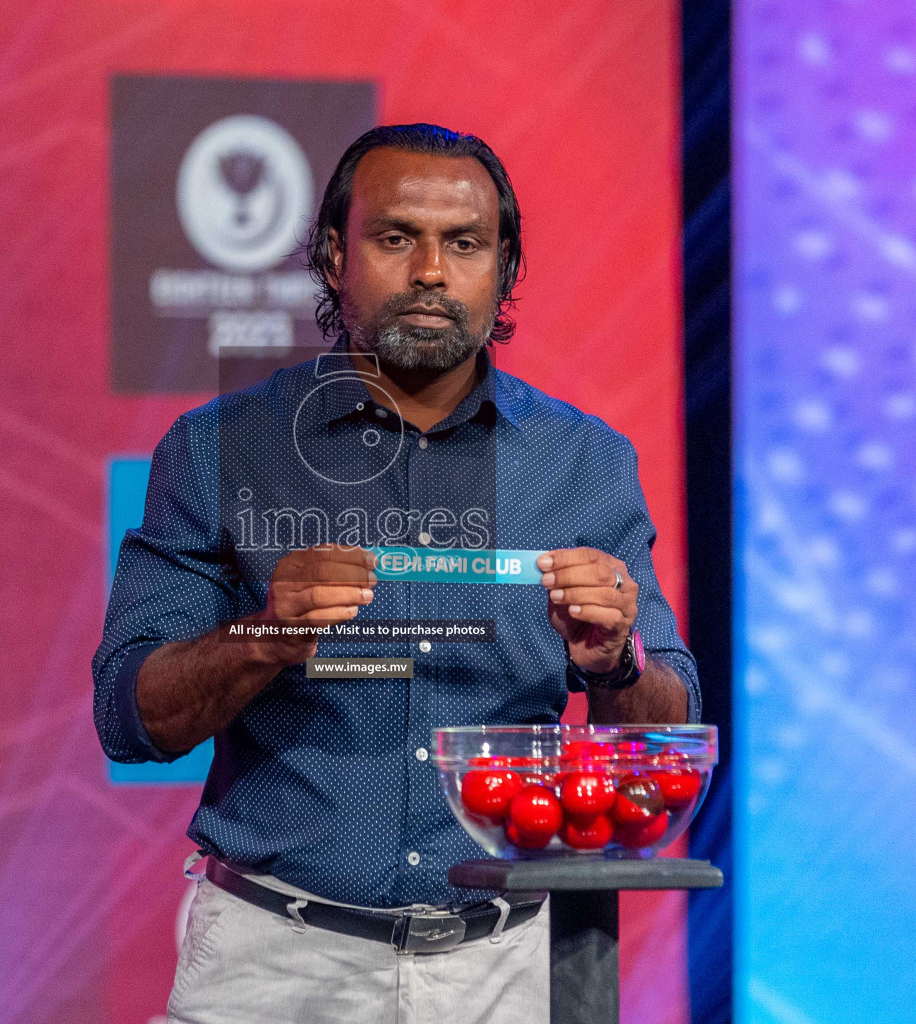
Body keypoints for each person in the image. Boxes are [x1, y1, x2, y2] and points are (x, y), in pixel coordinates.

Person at [94, 123, 699, 1024]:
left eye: (463, 244)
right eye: (395, 238)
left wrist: (618, 663)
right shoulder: (219, 448)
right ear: (336, 255)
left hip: (506, 970)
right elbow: (128, 717)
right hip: (273, 964)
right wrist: (266, 636)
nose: (429, 271)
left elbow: (661, 742)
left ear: (504, 270)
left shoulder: (584, 463)